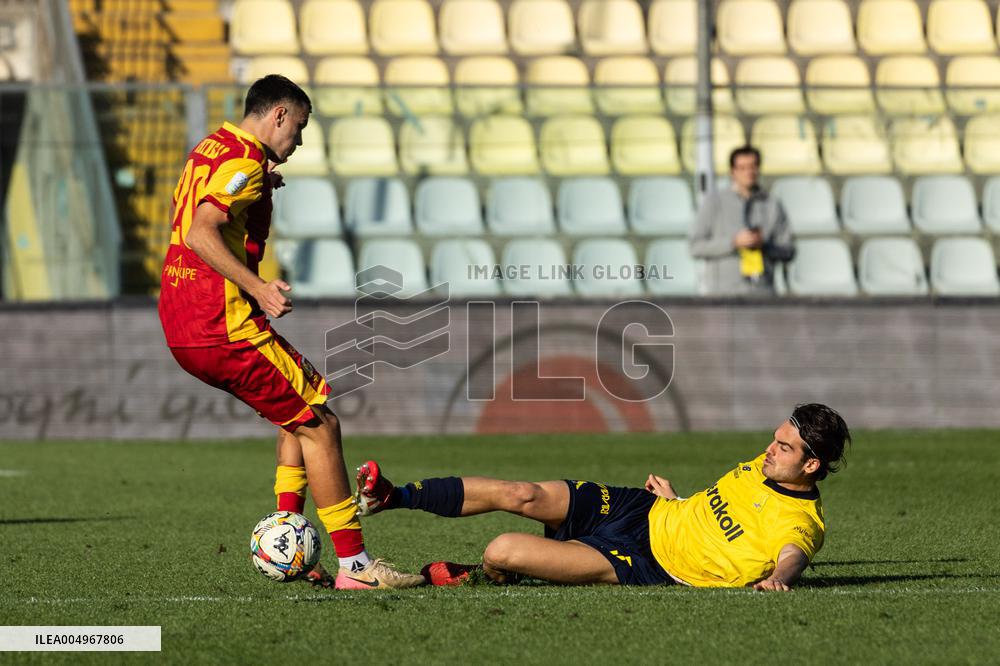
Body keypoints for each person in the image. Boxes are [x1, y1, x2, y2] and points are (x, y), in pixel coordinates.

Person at [158, 75, 422, 590]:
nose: (297, 143)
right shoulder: (245, 165)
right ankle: (356, 566)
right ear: (278, 114)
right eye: (297, 129)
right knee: (321, 427)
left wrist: (260, 193)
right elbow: (200, 231)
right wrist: (257, 286)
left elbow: (207, 208)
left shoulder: (213, 147)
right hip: (222, 324)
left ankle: (288, 532)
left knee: (304, 402)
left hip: (183, 318)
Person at [355, 403, 850, 590]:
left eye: (783, 447)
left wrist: (779, 581)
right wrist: (677, 503)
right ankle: (392, 496)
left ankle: (481, 577)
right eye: (775, 436)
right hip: (645, 508)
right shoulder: (760, 467)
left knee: (501, 549)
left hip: (647, 562)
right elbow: (724, 509)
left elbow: (793, 554)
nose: (770, 448)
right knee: (521, 493)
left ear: (810, 465)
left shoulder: (801, 521)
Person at [688, 145, 794, 296]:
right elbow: (695, 247)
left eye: (753, 166)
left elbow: (788, 251)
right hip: (723, 295)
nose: (748, 172)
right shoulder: (715, 202)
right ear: (733, 172)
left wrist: (763, 245)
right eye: (742, 167)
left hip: (762, 293)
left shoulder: (772, 204)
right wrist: (733, 243)